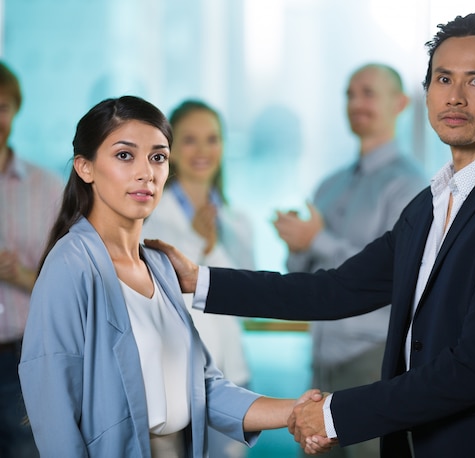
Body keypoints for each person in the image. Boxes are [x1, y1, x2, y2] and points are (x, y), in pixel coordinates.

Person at [148, 8, 475, 457]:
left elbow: (473, 371)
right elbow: (336, 290)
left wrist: (333, 415)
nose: (454, 97)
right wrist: (199, 281)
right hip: (414, 442)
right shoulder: (430, 204)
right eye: (443, 79)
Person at [17, 95, 325, 458]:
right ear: (85, 168)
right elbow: (54, 416)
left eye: (158, 157)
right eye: (124, 155)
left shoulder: (161, 267)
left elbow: (203, 388)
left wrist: (302, 410)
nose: (146, 172)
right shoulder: (70, 266)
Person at [272, 63, 425, 458]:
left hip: (372, 365)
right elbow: (304, 279)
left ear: (401, 103)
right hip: (322, 366)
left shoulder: (409, 186)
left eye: (369, 92)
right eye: (350, 94)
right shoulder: (329, 185)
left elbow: (389, 273)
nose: (356, 102)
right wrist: (298, 244)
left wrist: (317, 239)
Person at [142, 99, 253, 458]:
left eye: (212, 139)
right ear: (169, 150)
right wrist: (197, 240)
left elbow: (250, 291)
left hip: (229, 372)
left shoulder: (237, 220)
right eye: (190, 140)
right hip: (167, 374)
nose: (203, 150)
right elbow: (154, 288)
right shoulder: (148, 215)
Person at [0, 61, 63, 457]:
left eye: (2, 107)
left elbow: (71, 285)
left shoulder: (47, 188)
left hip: (24, 358)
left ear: (16, 110)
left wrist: (21, 274)